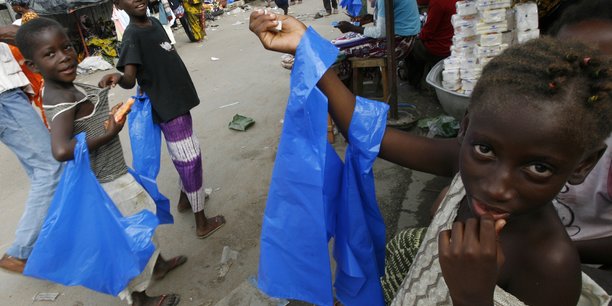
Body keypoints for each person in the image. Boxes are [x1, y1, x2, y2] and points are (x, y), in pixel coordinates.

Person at [249, 11, 612, 306]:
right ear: (465, 127)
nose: (495, 187)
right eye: (485, 150)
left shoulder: (552, 267)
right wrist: (306, 48)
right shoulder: (462, 162)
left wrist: (472, 297)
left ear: (582, 165)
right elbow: (372, 135)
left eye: (538, 167)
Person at [16, 17, 187, 306]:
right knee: (127, 239)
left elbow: (88, 120)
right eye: (50, 54)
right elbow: (60, 149)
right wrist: (108, 135)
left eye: (67, 47)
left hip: (116, 172)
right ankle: (141, 298)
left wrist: (110, 117)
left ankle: (156, 265)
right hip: (107, 184)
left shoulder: (66, 85)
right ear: (33, 66)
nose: (64, 57)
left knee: (143, 221)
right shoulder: (59, 97)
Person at [99, 0, 226, 239]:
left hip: (177, 99)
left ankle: (185, 200)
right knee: (190, 159)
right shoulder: (131, 35)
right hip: (167, 105)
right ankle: (201, 222)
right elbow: (130, 78)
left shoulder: (155, 22)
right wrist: (117, 76)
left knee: (184, 155)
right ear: (118, 4)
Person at [547, 0, 612, 289]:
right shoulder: (543, 114)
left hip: (589, 266)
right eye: (569, 64)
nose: (584, 83)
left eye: (603, 70)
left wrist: (559, 250)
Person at [0, 37, 62, 274]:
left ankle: (41, 245)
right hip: (4, 97)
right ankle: (21, 251)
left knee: (42, 172)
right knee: (50, 167)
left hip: (9, 93)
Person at [334, 0, 420, 59]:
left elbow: (380, 32)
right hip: (409, 38)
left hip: (399, 44)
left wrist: (352, 28)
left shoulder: (383, 1)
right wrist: (372, 18)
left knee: (341, 52)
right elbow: (394, 16)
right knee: (341, 42)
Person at [401, 0, 456, 88]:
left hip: (438, 48)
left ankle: (414, 82)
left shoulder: (438, 3)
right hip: (453, 45)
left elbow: (428, 32)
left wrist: (418, 35)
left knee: (410, 45)